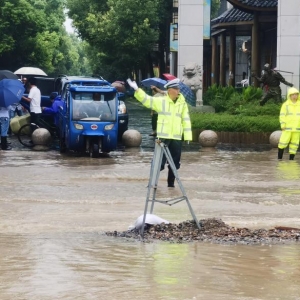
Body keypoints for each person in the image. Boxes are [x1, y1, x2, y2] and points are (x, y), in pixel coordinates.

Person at [127, 78, 192, 187]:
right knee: (158, 163)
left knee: (174, 164)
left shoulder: (182, 103)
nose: (178, 91)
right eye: (176, 89)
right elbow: (147, 100)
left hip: (176, 138)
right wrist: (137, 90)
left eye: (178, 89)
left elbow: (186, 119)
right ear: (170, 90)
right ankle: (152, 184)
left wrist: (188, 137)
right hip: (163, 138)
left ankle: (171, 185)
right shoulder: (161, 101)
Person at [278, 87, 300, 160]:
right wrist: (283, 125)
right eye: (292, 94)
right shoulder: (285, 105)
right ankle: (279, 159)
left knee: (294, 145)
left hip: (297, 128)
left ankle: (291, 160)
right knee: (282, 143)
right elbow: (282, 115)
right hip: (287, 128)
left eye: (296, 94)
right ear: (289, 95)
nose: (294, 96)